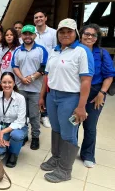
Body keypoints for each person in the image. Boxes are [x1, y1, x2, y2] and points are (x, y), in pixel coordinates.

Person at [39, 18, 94, 183]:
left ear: (75, 33)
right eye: (61, 32)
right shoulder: (54, 51)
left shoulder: (82, 51)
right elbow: (47, 76)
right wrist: (42, 96)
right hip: (52, 96)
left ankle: (65, 169)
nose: (65, 35)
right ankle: (56, 157)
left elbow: (86, 81)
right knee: (56, 129)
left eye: (68, 31)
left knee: (68, 133)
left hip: (70, 98)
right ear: (57, 34)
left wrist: (81, 106)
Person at [79, 24, 115, 168]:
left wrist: (102, 92)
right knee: (73, 123)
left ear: (97, 38)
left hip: (95, 93)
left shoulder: (101, 53)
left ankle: (87, 154)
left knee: (90, 125)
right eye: (86, 34)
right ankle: (69, 151)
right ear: (81, 35)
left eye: (93, 35)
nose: (89, 37)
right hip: (76, 92)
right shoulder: (74, 50)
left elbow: (109, 75)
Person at [12, 24, 48, 150]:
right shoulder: (17, 50)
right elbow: (14, 66)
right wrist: (22, 78)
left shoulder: (41, 50)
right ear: (21, 36)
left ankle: (35, 137)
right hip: (21, 88)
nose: (27, 36)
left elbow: (44, 67)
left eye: (30, 34)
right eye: (25, 34)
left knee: (34, 115)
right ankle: (23, 135)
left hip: (36, 89)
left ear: (34, 35)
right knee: (21, 114)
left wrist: (32, 77)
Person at [0, 72, 27, 167]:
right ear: (0, 83)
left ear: (14, 83)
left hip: (16, 128)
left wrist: (3, 132)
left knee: (16, 135)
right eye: (4, 82)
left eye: (9, 82)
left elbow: (20, 121)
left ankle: (14, 154)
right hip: (1, 126)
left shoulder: (20, 98)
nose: (7, 85)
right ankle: (11, 144)